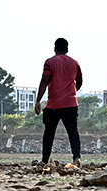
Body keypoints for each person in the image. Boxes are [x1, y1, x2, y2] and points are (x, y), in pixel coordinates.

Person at [35, 37, 83, 166]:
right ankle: (76, 157)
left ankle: (45, 160)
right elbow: (79, 81)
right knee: (73, 131)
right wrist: (72, 91)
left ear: (55, 48)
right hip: (71, 103)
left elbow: (45, 81)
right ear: (67, 49)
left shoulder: (50, 62)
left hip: (54, 104)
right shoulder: (75, 63)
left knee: (49, 132)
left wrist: (38, 101)